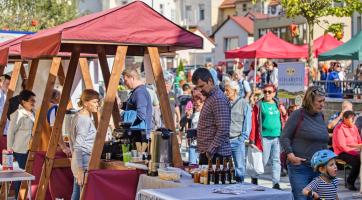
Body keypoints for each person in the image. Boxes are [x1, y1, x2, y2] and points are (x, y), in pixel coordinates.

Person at [281, 86, 329, 200]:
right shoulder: (298, 114)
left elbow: (322, 140)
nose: (322, 104)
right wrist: (291, 155)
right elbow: (284, 136)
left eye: (324, 101)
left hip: (318, 169)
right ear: (310, 101)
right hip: (300, 168)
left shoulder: (321, 116)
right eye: (319, 101)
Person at [249, 84, 287, 189]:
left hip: (277, 137)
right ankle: (254, 176)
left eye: (269, 92)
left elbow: (284, 118)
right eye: (265, 91)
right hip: (264, 137)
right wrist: (252, 138)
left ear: (274, 93)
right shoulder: (259, 105)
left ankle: (276, 183)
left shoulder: (278, 104)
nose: (267, 94)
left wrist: (284, 113)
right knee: (264, 161)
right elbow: (253, 122)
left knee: (276, 161)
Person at [192, 68, 231, 165]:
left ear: (210, 81)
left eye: (202, 86)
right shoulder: (211, 97)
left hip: (216, 156)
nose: (200, 90)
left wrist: (210, 151)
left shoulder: (218, 98)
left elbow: (223, 129)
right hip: (211, 155)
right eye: (198, 87)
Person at [69, 89, 99, 200]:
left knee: (77, 194)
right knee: (82, 195)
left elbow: (72, 141)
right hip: (83, 161)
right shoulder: (84, 119)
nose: (97, 104)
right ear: (86, 103)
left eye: (98, 102)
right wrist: (81, 169)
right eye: (95, 102)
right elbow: (78, 145)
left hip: (78, 160)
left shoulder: (77, 115)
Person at [7, 89, 36, 199]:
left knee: (29, 175)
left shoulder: (33, 112)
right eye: (31, 100)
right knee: (19, 177)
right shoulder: (17, 114)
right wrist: (10, 152)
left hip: (30, 149)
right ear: (23, 102)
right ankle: (17, 197)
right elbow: (10, 133)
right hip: (19, 150)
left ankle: (26, 197)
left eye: (34, 100)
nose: (33, 102)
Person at [224, 81, 251, 182]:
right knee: (225, 167)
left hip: (237, 140)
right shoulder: (224, 103)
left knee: (239, 167)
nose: (225, 93)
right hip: (225, 141)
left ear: (235, 91)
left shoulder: (244, 103)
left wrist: (242, 138)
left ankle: (240, 187)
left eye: (227, 90)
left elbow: (248, 123)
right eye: (225, 90)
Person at [122, 68, 152, 153]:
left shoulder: (140, 93)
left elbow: (141, 115)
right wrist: (122, 105)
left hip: (139, 136)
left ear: (132, 78)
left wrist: (127, 124)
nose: (125, 83)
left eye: (126, 80)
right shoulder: (137, 91)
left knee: (137, 163)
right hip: (138, 135)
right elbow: (134, 106)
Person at [332, 111, 361, 191]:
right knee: (357, 161)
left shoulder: (354, 127)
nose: (354, 121)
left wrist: (359, 148)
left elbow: (359, 141)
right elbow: (342, 146)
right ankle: (350, 182)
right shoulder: (339, 128)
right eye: (352, 119)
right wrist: (356, 152)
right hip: (342, 153)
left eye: (354, 119)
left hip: (355, 151)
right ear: (345, 119)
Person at [46, 89, 72, 156]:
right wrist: (64, 147)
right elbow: (55, 129)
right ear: (57, 97)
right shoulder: (54, 108)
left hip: (42, 145)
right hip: (51, 147)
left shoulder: (42, 107)